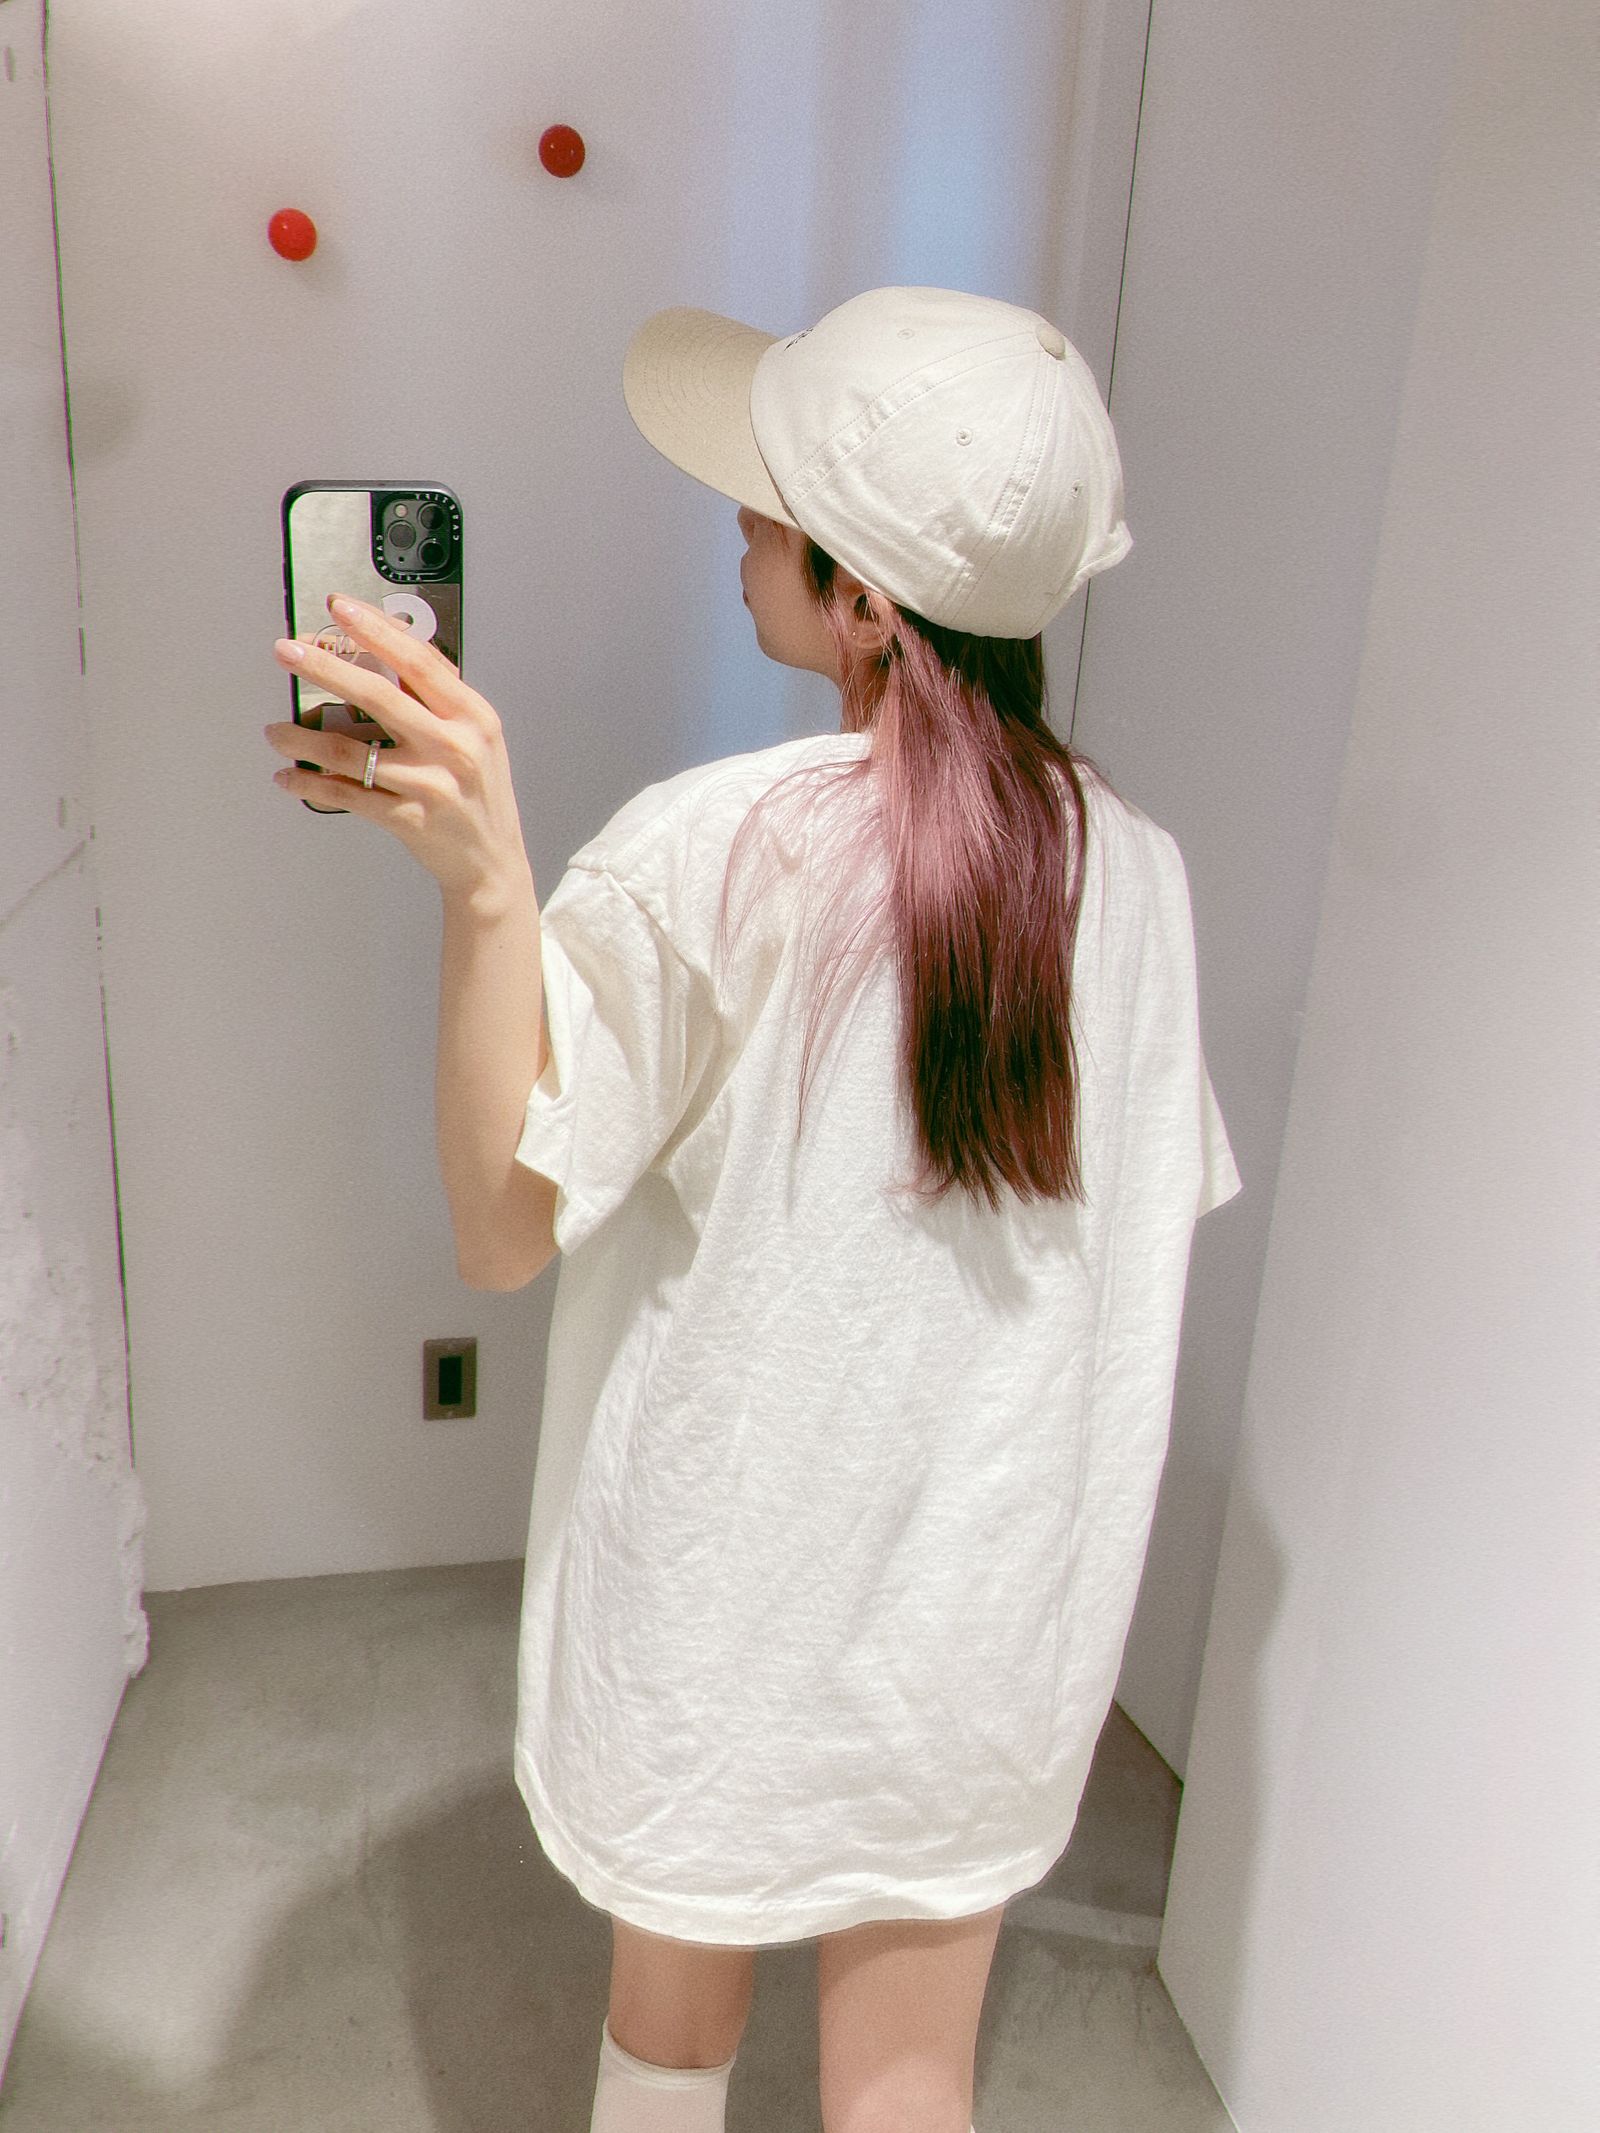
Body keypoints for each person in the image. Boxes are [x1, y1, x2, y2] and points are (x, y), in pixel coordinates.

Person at [266, 285, 1240, 2133]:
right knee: (909, 2095)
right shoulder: (1140, 877)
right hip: (984, 1627)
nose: (735, 520)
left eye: (771, 504)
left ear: (862, 601)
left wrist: (488, 892)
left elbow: (500, 1231)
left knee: (667, 2059)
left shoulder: (717, 846)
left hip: (724, 1615)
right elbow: (1112, 1254)